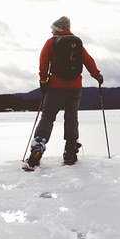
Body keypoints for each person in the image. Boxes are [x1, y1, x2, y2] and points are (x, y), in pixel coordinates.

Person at [24, 16, 103, 170]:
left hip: (55, 87)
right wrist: (97, 75)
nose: (51, 30)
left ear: (57, 28)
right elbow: (88, 60)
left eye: (53, 28)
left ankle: (38, 148)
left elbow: (43, 61)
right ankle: (70, 151)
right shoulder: (76, 43)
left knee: (47, 117)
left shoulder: (52, 42)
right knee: (71, 117)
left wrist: (43, 80)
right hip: (75, 87)